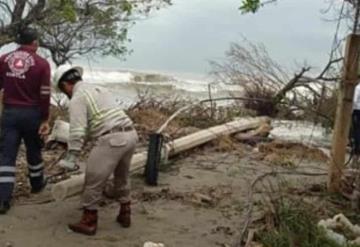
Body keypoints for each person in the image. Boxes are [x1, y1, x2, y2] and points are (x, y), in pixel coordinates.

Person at [52, 64, 138, 236]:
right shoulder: (99, 89)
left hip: (112, 139)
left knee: (93, 179)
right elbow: (101, 118)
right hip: (130, 135)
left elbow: (77, 130)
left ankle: (89, 221)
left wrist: (72, 155)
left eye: (63, 91)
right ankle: (125, 213)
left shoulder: (78, 97)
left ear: (65, 85)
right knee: (122, 176)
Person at [0, 27, 50, 214]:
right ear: (35, 42)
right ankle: (37, 184)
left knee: (7, 155)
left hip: (10, 113)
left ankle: (3, 199)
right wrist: (45, 117)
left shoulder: (4, 60)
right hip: (32, 113)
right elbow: (45, 93)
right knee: (34, 150)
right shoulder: (42, 63)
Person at [351, 82, 360, 168]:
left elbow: (354, 101)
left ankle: (356, 153)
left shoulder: (358, 88)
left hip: (357, 111)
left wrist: (351, 111)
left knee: (356, 132)